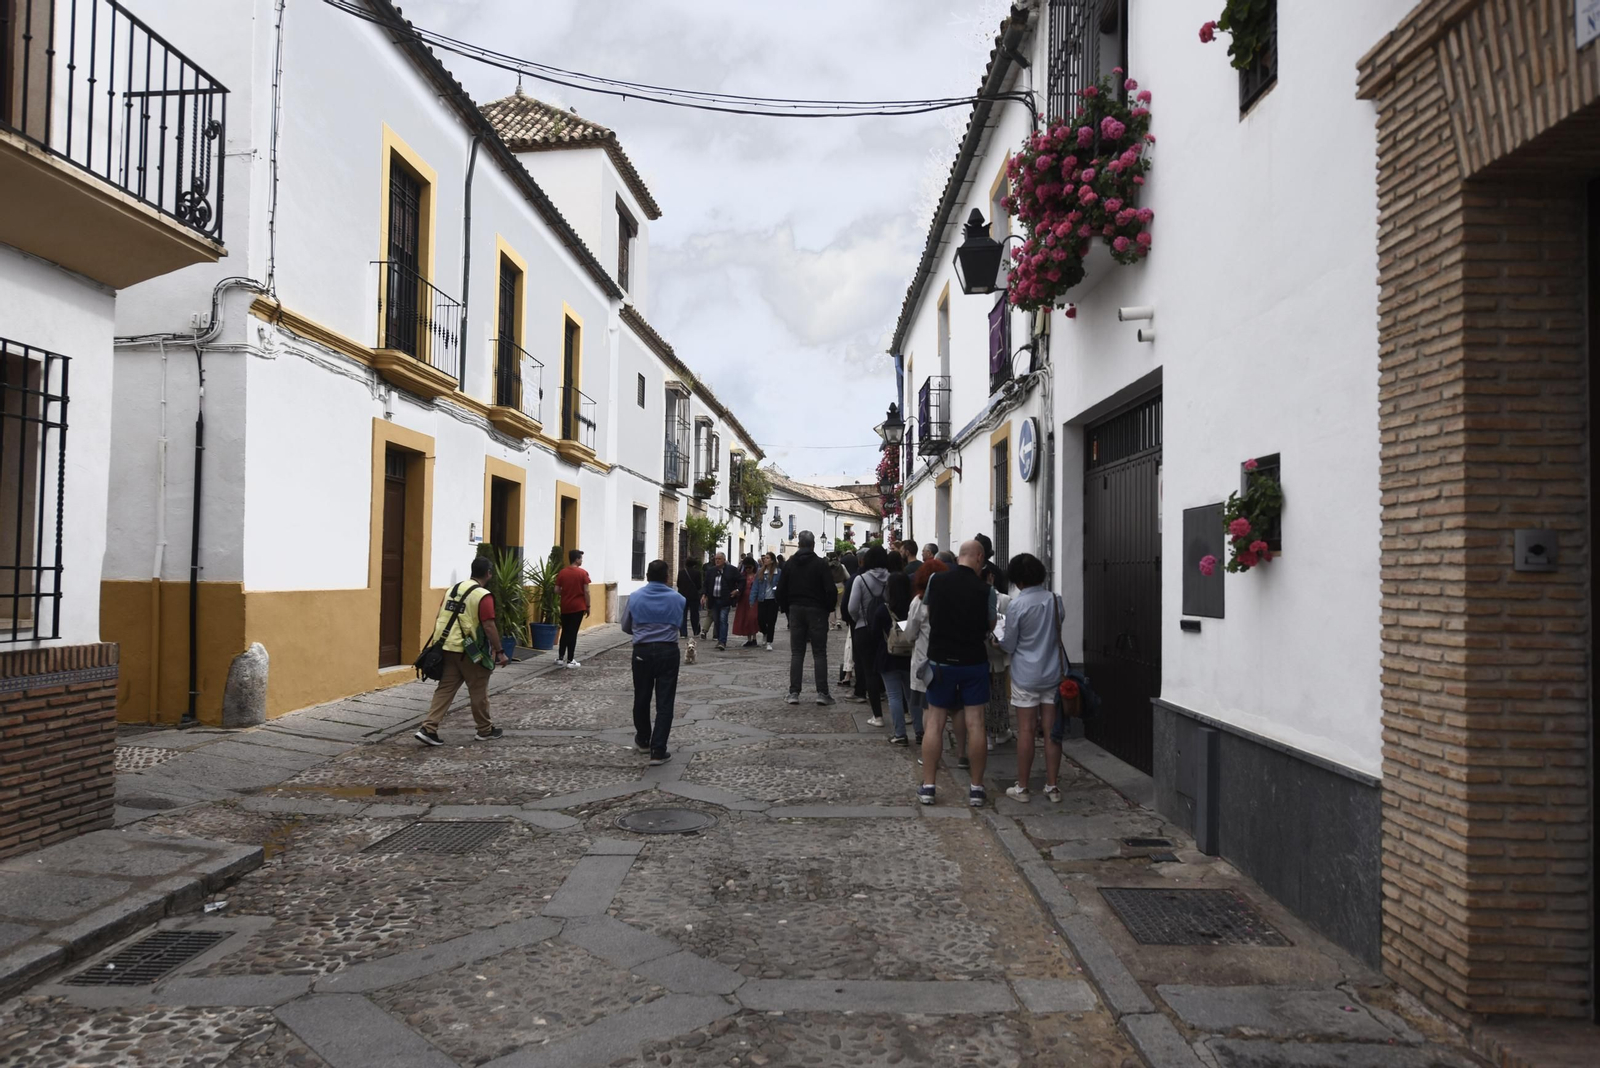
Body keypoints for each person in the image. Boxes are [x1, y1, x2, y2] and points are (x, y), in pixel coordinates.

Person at [918, 540, 992, 807]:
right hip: (973, 661)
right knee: (976, 724)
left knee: (935, 723)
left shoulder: (936, 581)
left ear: (960, 556)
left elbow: (928, 610)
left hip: (941, 661)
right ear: (979, 557)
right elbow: (991, 623)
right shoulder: (986, 590)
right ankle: (976, 788)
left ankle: (928, 786)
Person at [415, 556, 507, 745]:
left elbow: (441, 614)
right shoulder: (483, 595)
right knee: (478, 689)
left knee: (445, 689)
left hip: (447, 647)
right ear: (488, 573)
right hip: (469, 651)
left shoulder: (453, 589)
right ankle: (484, 730)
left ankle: (429, 728)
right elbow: (489, 625)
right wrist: (499, 651)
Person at [997, 553, 1062, 803]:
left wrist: (998, 641)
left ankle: (1023, 788)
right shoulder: (1055, 601)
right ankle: (1053, 787)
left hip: (1025, 675)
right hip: (1053, 672)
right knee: (1051, 731)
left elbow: (1010, 644)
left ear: (1017, 580)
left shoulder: (1016, 605)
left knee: (1025, 730)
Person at [623, 559, 686, 767]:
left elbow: (626, 626)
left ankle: (643, 739)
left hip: (641, 651)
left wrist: (643, 632)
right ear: (667, 577)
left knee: (641, 697)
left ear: (647, 576)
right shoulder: (678, 599)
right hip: (668, 650)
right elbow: (678, 624)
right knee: (665, 701)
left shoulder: (634, 597)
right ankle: (658, 750)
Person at [773, 530, 836, 705]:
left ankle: (794, 693)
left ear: (799, 544)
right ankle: (822, 693)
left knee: (797, 652)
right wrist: (827, 609)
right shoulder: (820, 564)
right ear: (813, 544)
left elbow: (781, 590)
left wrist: (786, 609)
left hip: (795, 609)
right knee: (819, 652)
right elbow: (830, 590)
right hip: (816, 610)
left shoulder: (790, 564)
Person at [874, 569, 921, 746]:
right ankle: (920, 732)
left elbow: (874, 634)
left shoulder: (883, 610)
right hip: (910, 657)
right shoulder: (913, 607)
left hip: (888, 657)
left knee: (894, 696)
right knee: (912, 697)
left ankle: (900, 734)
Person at [847, 545, 890, 725]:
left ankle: (877, 716)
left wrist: (860, 619)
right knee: (888, 672)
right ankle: (904, 712)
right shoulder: (891, 578)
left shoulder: (860, 580)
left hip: (864, 628)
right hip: (886, 631)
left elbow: (852, 608)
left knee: (868, 671)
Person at [554, 549, 591, 668]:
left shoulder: (562, 572)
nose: (582, 560)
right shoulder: (583, 573)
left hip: (565, 605)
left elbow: (556, 590)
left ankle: (560, 658)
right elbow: (586, 591)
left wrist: (566, 593)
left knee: (565, 631)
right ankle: (570, 659)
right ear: (576, 559)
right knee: (573, 632)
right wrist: (588, 606)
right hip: (578, 606)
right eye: (581, 558)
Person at [702, 551, 742, 652]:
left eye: (719, 559)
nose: (717, 561)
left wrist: (737, 591)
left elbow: (742, 580)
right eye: (716, 559)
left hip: (725, 600)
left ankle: (722, 642)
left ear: (724, 560)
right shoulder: (711, 571)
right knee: (717, 621)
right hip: (714, 600)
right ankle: (720, 639)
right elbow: (706, 584)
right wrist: (704, 595)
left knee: (723, 620)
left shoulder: (731, 570)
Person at [733, 557, 761, 647]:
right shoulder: (742, 576)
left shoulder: (757, 576)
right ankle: (749, 639)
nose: (748, 569)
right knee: (745, 619)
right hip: (743, 600)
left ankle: (754, 638)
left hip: (754, 600)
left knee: (752, 618)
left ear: (753, 567)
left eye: (750, 567)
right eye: (746, 567)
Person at [755, 553, 780, 650]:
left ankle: (769, 641)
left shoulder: (778, 572)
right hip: (762, 599)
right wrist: (752, 599)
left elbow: (781, 586)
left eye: (767, 558)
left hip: (773, 600)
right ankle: (765, 632)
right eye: (764, 558)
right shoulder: (760, 572)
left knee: (771, 621)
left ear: (772, 560)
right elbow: (755, 586)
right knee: (760, 619)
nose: (765, 559)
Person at [677, 555, 703, 639]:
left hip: (682, 596)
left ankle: (683, 633)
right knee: (694, 614)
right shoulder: (697, 573)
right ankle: (696, 631)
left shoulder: (681, 572)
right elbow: (699, 585)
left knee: (682, 614)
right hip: (693, 596)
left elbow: (678, 584)